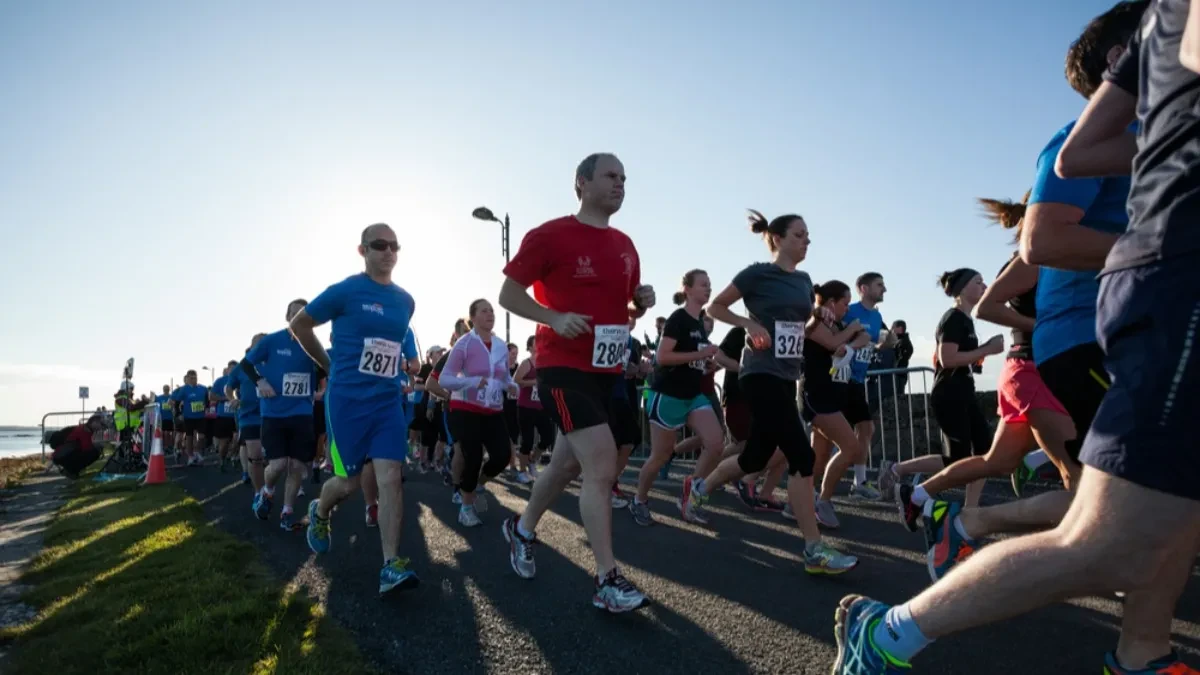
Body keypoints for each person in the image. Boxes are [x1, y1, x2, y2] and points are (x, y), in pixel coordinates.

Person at [830, 3, 1160, 672]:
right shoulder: (1078, 145)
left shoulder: (1153, 148)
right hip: (1071, 351)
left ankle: (1140, 646)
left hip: (1103, 346)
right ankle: (926, 566)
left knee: (1070, 492)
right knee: (1104, 516)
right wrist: (1008, 343)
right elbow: (1022, 268)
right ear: (1116, 65)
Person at [497, 152, 655, 612]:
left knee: (565, 466)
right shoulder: (550, 235)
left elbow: (623, 308)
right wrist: (553, 317)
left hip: (607, 372)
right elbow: (508, 294)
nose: (620, 183)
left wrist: (640, 305)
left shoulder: (626, 245)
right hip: (562, 367)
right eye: (610, 176)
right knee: (601, 466)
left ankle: (521, 529)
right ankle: (607, 579)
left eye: (624, 177)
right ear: (581, 183)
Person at [690, 209, 857, 574]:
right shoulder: (757, 274)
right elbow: (717, 307)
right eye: (799, 234)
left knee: (754, 458)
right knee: (801, 455)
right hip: (758, 373)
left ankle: (700, 489)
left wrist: (819, 320)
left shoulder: (804, 281)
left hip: (786, 376)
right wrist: (748, 322)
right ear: (778, 239)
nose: (807, 241)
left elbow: (802, 328)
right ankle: (814, 549)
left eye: (808, 235)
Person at [292, 223, 421, 598]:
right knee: (348, 482)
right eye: (380, 245)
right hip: (347, 402)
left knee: (390, 476)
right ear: (362, 250)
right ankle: (320, 510)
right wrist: (327, 366)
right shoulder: (345, 291)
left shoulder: (405, 301)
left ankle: (390, 564)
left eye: (395, 245)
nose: (389, 251)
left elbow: (395, 347)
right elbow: (300, 325)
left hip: (386, 402)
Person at [242, 299, 322, 531]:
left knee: (296, 466)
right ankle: (266, 492)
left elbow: (329, 366)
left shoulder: (313, 346)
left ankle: (287, 513)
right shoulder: (271, 341)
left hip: (302, 413)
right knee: (277, 465)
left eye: (304, 315)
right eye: (295, 315)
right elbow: (246, 365)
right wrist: (260, 380)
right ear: (288, 317)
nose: (299, 319)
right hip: (274, 414)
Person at [437, 299, 517, 527]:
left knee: (502, 456)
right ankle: (466, 507)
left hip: (493, 409)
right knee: (472, 456)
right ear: (473, 318)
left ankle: (473, 485)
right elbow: (445, 379)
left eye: (492, 310)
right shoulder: (464, 344)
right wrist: (471, 382)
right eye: (484, 311)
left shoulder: (501, 346)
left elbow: (503, 377)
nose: (490, 313)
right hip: (465, 409)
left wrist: (511, 385)